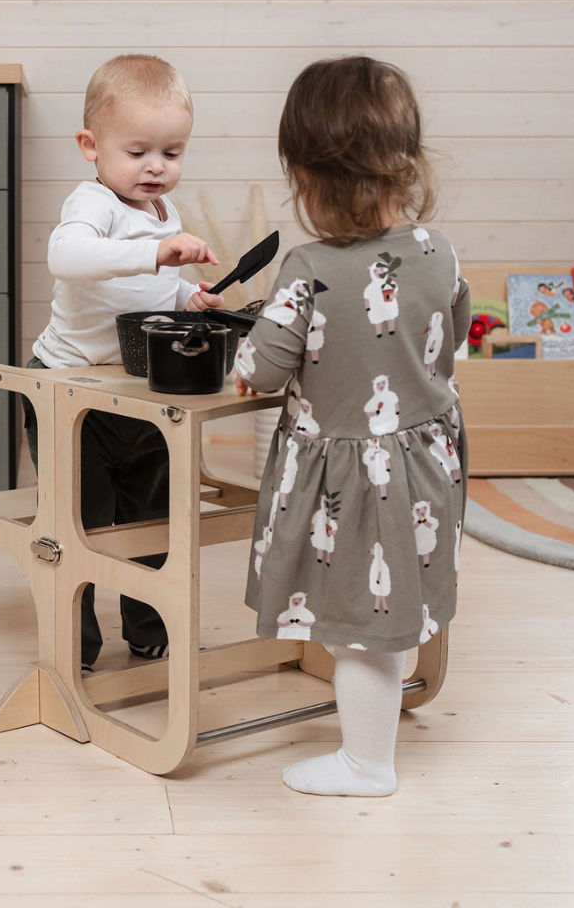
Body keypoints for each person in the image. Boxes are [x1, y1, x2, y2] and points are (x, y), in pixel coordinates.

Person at [234, 55, 470, 796]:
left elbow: (262, 369)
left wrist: (246, 340)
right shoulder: (439, 251)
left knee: (357, 623)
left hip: (351, 480)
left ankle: (367, 763)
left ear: (308, 178)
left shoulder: (306, 268)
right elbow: (448, 331)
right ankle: (374, 738)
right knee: (393, 600)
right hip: (427, 468)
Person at [24, 53, 224, 670]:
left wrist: (187, 296)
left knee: (150, 517)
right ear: (91, 145)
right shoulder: (93, 204)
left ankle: (146, 625)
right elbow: (68, 257)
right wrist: (156, 255)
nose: (156, 167)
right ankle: (75, 644)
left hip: (133, 392)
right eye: (138, 151)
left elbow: (153, 290)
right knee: (78, 524)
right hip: (67, 390)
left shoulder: (167, 214)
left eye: (172, 151)